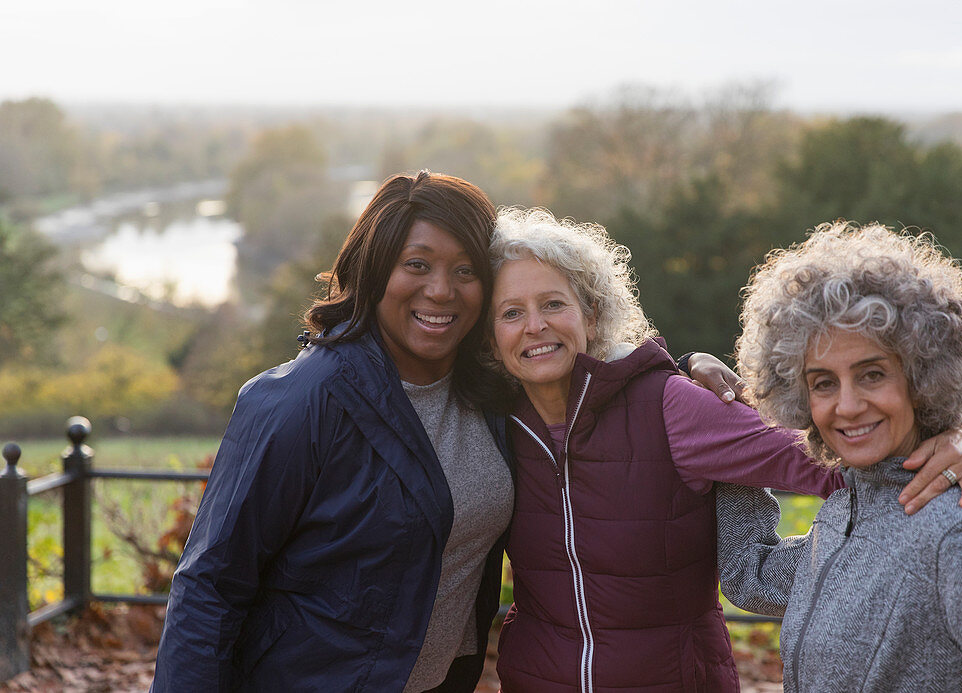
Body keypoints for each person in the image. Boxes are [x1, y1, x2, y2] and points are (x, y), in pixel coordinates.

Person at [150, 171, 740, 692]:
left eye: (465, 271)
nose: (441, 290)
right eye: (417, 265)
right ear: (373, 270)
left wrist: (681, 366)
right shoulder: (301, 402)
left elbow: (589, 373)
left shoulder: (490, 389)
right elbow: (209, 588)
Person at [485, 209, 962, 692]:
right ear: (490, 336)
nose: (535, 326)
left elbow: (845, 458)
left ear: (591, 315)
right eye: (512, 313)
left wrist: (947, 438)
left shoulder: (671, 406)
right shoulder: (490, 421)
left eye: (553, 304)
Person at [716, 222, 962, 691]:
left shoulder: (951, 536)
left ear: (921, 377)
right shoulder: (845, 515)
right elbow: (750, 573)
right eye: (823, 383)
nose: (847, 405)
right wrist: (714, 431)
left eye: (872, 375)